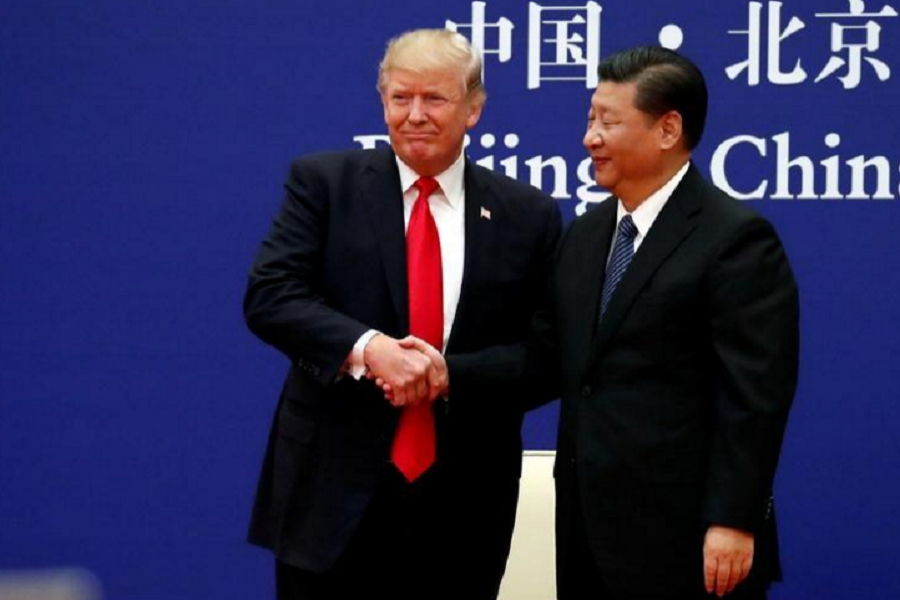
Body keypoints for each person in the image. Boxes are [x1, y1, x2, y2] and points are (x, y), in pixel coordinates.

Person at [243, 29, 561, 600]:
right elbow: (272, 295)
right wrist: (371, 350)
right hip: (331, 492)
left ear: (474, 109)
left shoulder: (527, 215)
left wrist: (448, 375)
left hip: (463, 499)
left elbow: (545, 356)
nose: (414, 115)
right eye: (399, 98)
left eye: (434, 99)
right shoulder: (325, 184)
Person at [550, 47, 800, 600]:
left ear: (668, 129)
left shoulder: (733, 238)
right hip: (587, 530)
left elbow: (755, 397)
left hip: (690, 539)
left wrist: (733, 520)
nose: (590, 137)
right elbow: (555, 361)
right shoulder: (586, 236)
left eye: (608, 122)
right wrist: (446, 371)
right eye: (591, 119)